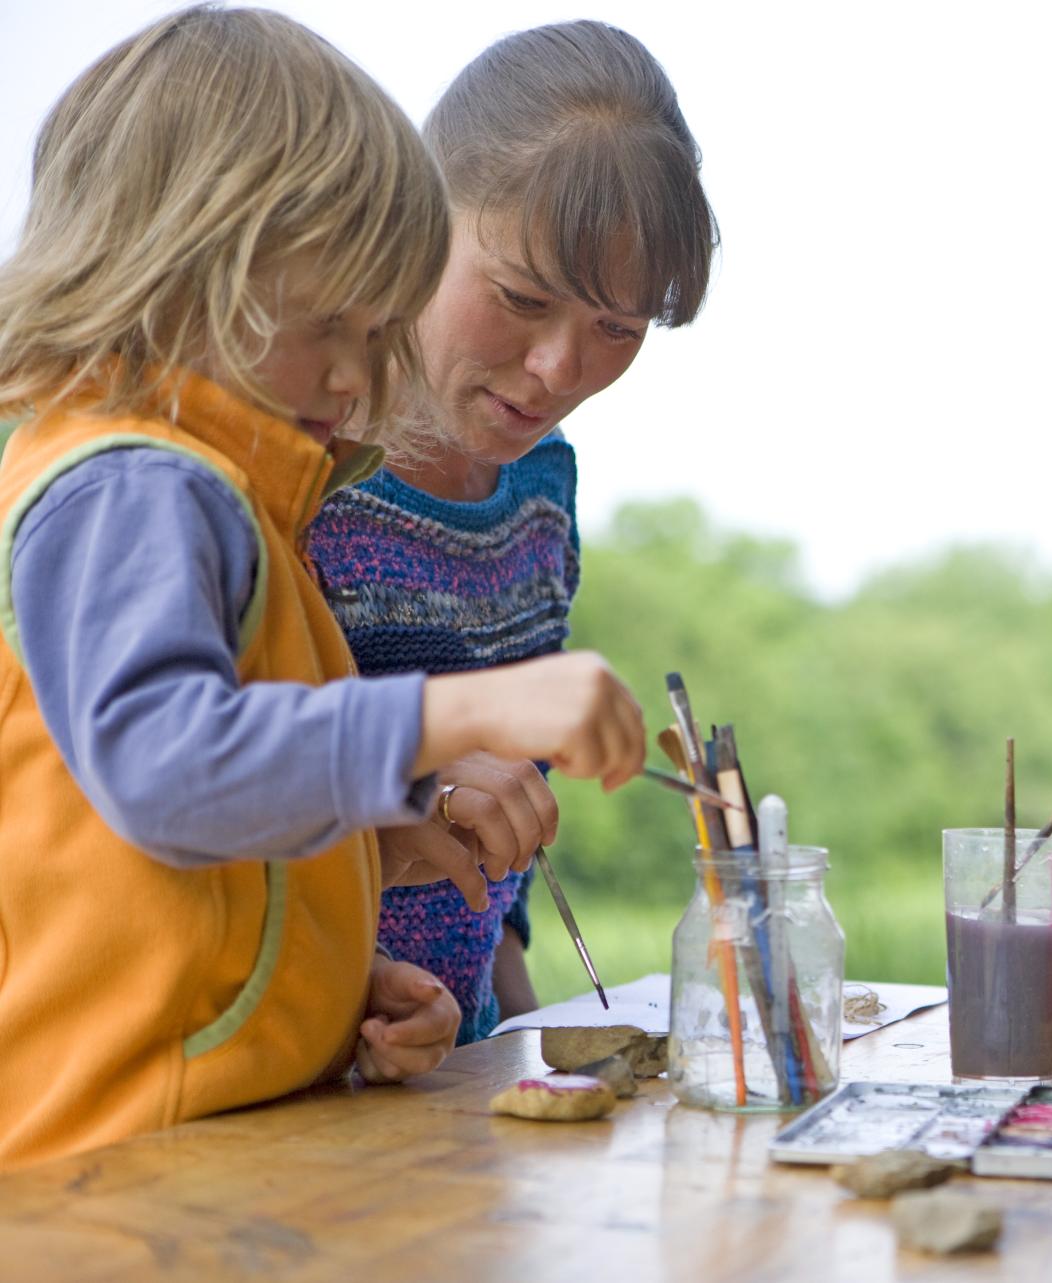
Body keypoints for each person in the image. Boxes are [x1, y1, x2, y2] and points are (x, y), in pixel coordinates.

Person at [0, 7, 651, 1170]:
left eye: (378, 327)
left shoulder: (243, 500)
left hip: (216, 1150)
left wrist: (339, 977)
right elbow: (165, 766)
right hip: (110, 1175)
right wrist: (467, 708)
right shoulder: (128, 484)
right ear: (189, 267)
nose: (359, 376)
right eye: (331, 323)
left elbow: (199, 860)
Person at [306, 20, 717, 1043]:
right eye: (522, 297)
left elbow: (502, 864)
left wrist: (530, 1049)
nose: (558, 368)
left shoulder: (540, 486)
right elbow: (191, 796)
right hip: (290, 1065)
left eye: (618, 327)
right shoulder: (301, 467)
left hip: (453, 1070)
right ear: (418, 223)